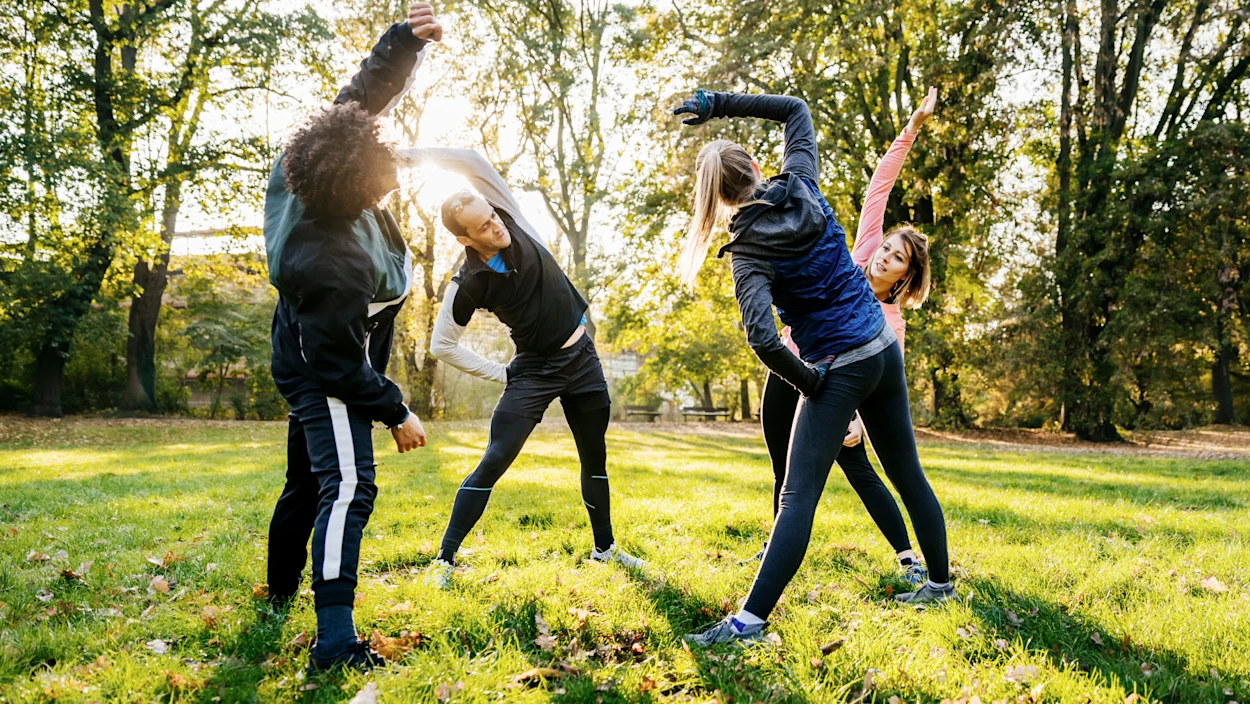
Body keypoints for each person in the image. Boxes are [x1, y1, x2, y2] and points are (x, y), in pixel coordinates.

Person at [671, 88, 955, 647]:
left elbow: (762, 338)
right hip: (881, 348)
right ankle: (940, 583)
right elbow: (797, 109)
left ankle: (747, 623)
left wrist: (811, 383)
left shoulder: (748, 252)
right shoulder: (801, 179)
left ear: (719, 202)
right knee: (908, 474)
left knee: (797, 497)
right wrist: (716, 104)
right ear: (756, 166)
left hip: (838, 365)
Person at [262, 3, 440, 672]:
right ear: (355, 190)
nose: (392, 169)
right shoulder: (333, 259)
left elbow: (358, 100)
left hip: (304, 347)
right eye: (383, 171)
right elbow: (337, 361)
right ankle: (334, 642)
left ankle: (279, 593)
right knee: (347, 487)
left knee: (308, 481)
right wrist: (395, 409)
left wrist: (402, 42)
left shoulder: (307, 160)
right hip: (323, 368)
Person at [399, 146, 644, 589]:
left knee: (595, 457)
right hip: (533, 371)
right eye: (483, 227)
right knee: (495, 459)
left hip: (583, 361)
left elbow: (472, 162)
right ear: (464, 239)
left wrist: (411, 155)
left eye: (492, 215)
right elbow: (442, 344)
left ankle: (605, 549)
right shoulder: (468, 282)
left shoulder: (509, 215)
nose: (495, 226)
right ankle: (445, 559)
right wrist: (501, 373)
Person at [753, 88, 939, 590]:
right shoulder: (857, 255)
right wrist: (913, 128)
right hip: (788, 369)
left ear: (906, 276)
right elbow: (880, 185)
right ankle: (776, 548)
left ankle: (907, 556)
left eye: (898, 257)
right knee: (783, 468)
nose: (885, 256)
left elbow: (879, 380)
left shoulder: (890, 322)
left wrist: (855, 418)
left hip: (835, 387)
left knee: (860, 470)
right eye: (888, 247)